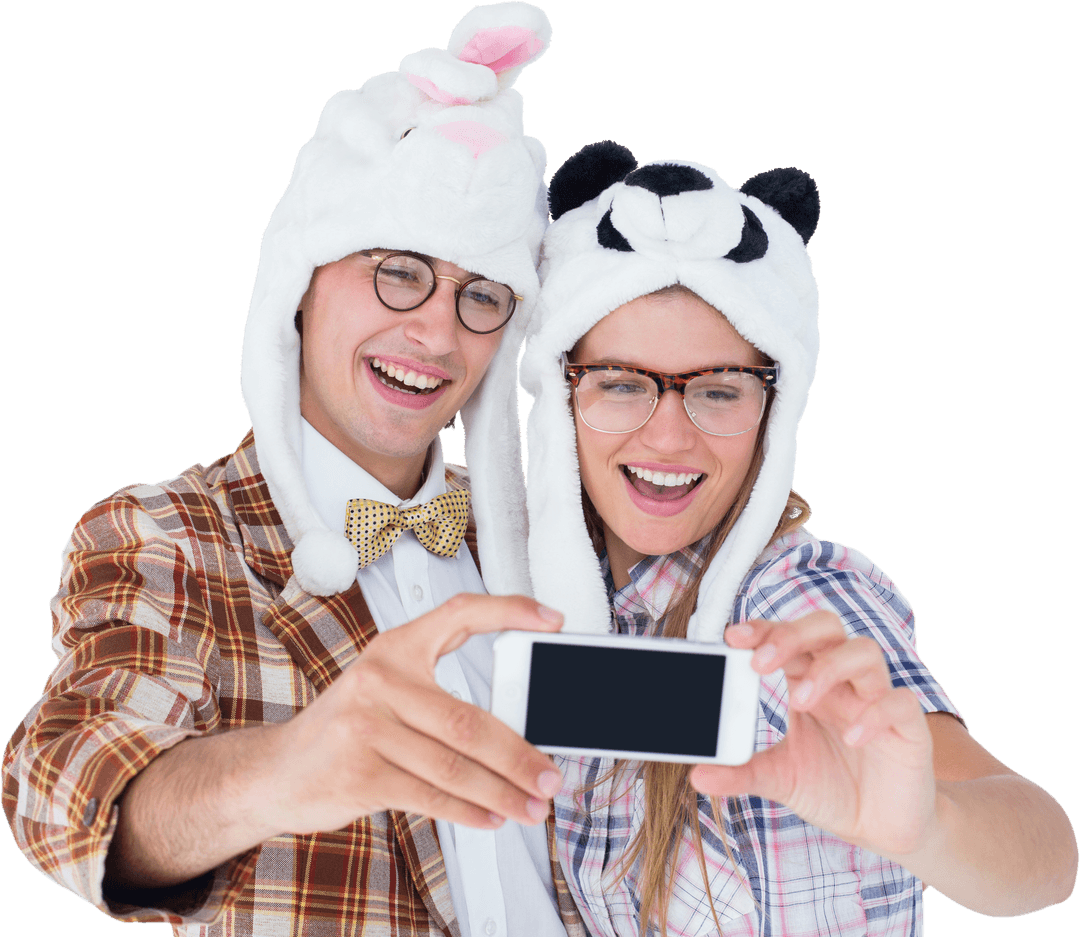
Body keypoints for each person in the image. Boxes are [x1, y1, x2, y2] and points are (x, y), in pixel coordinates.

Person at [2, 5, 586, 936]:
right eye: (398, 271)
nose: (435, 333)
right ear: (303, 282)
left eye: (480, 295)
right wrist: (286, 768)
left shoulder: (553, 538)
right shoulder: (170, 532)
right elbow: (63, 783)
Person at [518, 141, 1078, 935]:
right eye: (621, 383)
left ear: (771, 415)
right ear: (561, 395)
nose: (668, 435)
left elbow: (1045, 855)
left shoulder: (797, 599)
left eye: (717, 390)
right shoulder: (563, 602)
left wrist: (925, 828)